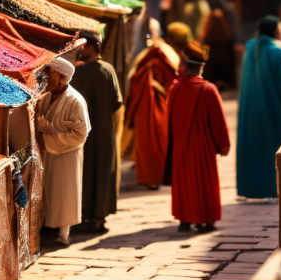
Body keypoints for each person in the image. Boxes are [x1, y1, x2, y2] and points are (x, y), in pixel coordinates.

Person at [168, 38, 230, 233]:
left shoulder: (175, 88)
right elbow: (218, 121)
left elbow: (168, 118)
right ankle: (206, 220)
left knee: (183, 182)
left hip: (180, 144)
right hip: (203, 145)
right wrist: (223, 145)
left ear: (185, 67)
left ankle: (185, 220)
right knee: (204, 182)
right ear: (201, 68)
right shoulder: (208, 90)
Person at [236, 15, 281, 200]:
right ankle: (272, 188)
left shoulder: (250, 49)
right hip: (273, 109)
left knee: (253, 149)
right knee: (272, 148)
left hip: (250, 108)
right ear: (275, 31)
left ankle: (251, 189)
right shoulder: (277, 52)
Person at [35, 55, 90, 245]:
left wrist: (50, 136)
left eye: (50, 74)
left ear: (61, 77)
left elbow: (80, 135)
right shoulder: (46, 97)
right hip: (47, 153)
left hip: (67, 154)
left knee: (65, 194)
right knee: (48, 192)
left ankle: (63, 234)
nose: (46, 78)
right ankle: (46, 230)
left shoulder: (76, 101)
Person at [72, 32, 123, 234]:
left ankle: (85, 216)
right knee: (102, 172)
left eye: (84, 46)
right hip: (105, 131)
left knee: (87, 173)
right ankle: (99, 218)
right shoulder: (108, 70)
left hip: (86, 132)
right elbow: (116, 102)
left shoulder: (81, 73)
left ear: (93, 46)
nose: (81, 50)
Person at [123, 35, 180, 187]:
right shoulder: (163, 60)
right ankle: (158, 176)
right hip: (160, 105)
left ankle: (152, 176)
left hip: (148, 107)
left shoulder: (145, 63)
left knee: (148, 143)